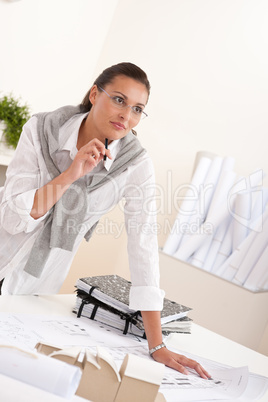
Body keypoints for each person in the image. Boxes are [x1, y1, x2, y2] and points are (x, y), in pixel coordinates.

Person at [0, 62, 210, 378]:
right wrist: (72, 173)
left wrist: (157, 346)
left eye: (138, 108)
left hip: (33, 290)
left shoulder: (134, 165)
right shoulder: (42, 130)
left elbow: (144, 247)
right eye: (119, 100)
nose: (127, 115)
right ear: (95, 94)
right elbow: (14, 217)